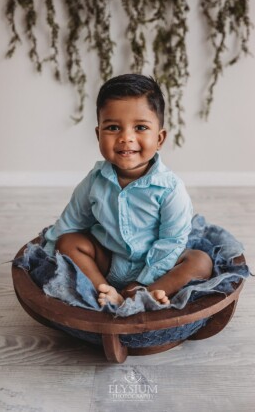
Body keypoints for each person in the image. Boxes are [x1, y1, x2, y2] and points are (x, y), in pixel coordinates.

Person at [43, 74, 213, 307]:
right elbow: (71, 220)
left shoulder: (170, 188)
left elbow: (171, 242)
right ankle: (104, 290)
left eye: (141, 127)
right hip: (109, 260)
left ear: (160, 138)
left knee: (200, 261)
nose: (126, 138)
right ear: (98, 134)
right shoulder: (95, 181)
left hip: (157, 265)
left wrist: (145, 280)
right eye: (113, 127)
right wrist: (48, 251)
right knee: (68, 242)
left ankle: (145, 294)